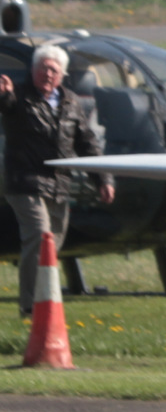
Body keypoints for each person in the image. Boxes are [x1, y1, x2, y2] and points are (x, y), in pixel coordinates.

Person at [0, 44, 115, 318]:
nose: (47, 73)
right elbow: (7, 107)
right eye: (43, 68)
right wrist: (4, 95)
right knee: (40, 237)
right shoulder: (18, 95)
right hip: (25, 183)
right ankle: (30, 307)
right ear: (33, 70)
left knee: (52, 245)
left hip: (59, 185)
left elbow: (87, 143)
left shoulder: (70, 102)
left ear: (61, 75)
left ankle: (45, 302)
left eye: (53, 69)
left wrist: (103, 179)